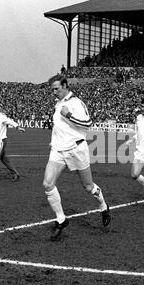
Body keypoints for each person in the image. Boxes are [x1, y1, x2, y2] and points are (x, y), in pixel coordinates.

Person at [43, 74, 111, 241]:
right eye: (52, 90)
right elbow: (58, 128)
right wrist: (54, 142)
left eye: (57, 89)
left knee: (88, 187)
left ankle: (103, 206)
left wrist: (69, 116)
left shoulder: (76, 103)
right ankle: (61, 219)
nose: (54, 93)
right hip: (58, 150)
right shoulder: (58, 104)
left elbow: (88, 123)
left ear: (65, 85)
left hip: (76, 148)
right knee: (47, 184)